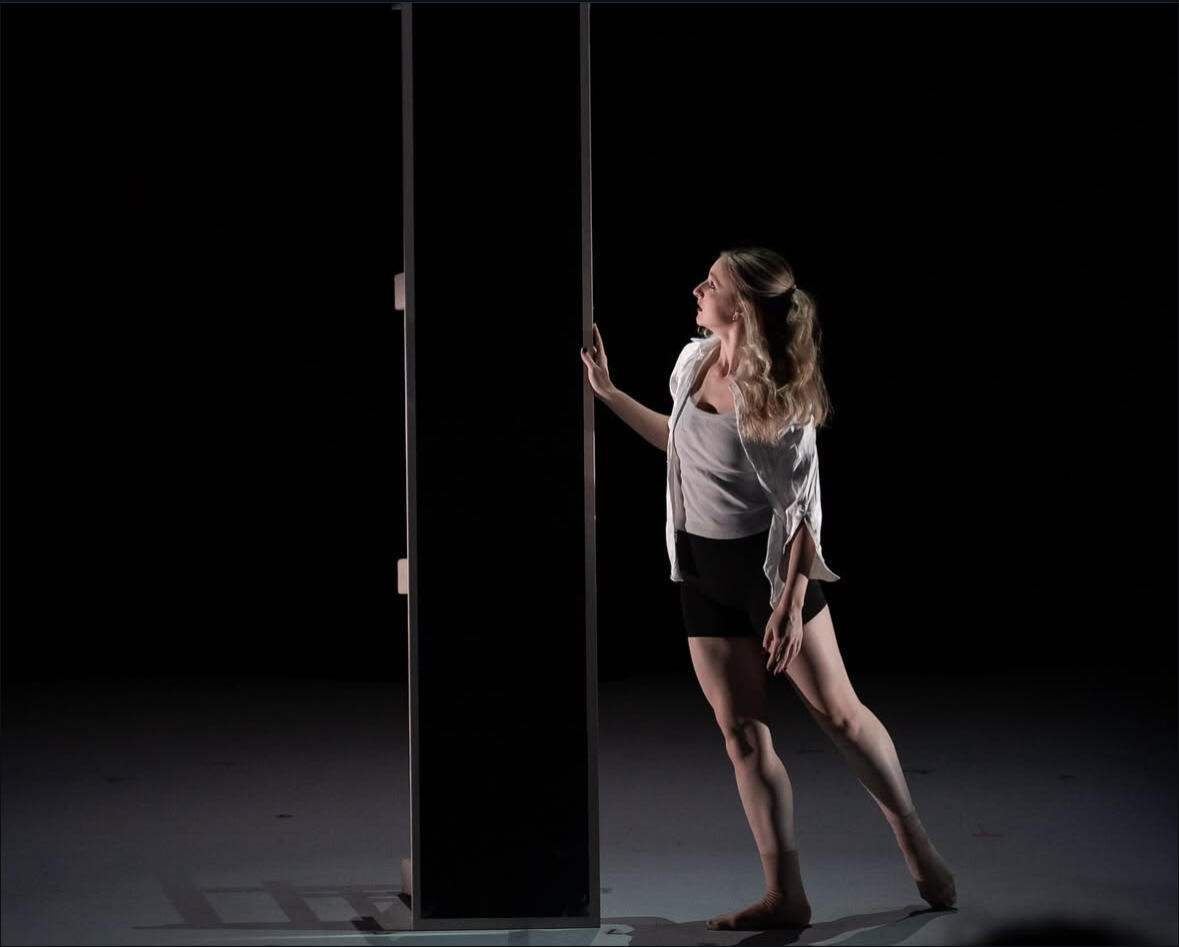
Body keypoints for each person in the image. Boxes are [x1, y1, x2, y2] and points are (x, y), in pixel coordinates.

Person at [579, 247, 957, 931]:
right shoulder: (692, 362)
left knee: (839, 716)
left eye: (713, 283)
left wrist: (788, 602)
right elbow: (679, 443)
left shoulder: (777, 393)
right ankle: (786, 894)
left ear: (744, 305)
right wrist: (609, 394)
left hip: (769, 573)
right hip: (701, 569)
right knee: (742, 736)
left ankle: (914, 842)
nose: (698, 289)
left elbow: (803, 512)